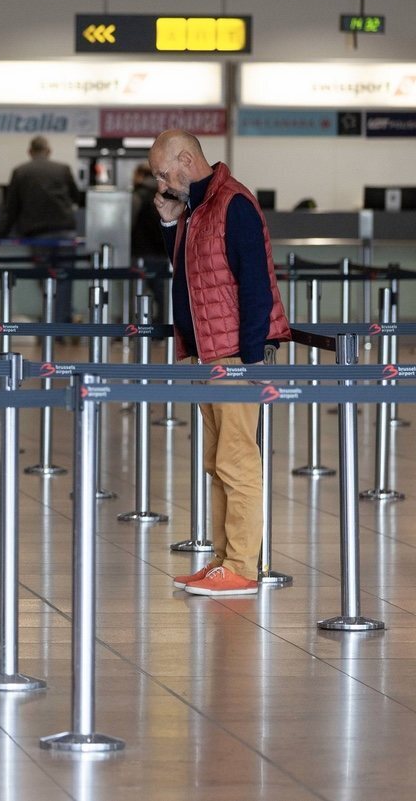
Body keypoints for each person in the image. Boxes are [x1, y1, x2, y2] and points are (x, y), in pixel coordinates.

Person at [149, 129, 291, 597]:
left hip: (233, 356)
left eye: (163, 172)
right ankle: (222, 560)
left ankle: (243, 567)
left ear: (186, 160)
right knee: (216, 461)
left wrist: (248, 362)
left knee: (237, 460)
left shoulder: (234, 205)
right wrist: (171, 224)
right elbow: (188, 281)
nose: (161, 183)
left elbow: (255, 286)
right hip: (207, 353)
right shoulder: (196, 210)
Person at [0, 135, 80, 323]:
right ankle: (63, 322)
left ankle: (52, 322)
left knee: (46, 279)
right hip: (65, 232)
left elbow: (11, 209)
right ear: (48, 151)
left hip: (38, 234)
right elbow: (76, 197)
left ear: (30, 152)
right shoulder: (63, 169)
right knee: (64, 278)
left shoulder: (20, 172)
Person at [130, 163, 168, 323]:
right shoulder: (166, 193)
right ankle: (162, 330)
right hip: (162, 252)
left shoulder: (137, 195)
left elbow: (129, 223)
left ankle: (138, 327)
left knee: (137, 293)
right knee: (162, 294)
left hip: (141, 252)